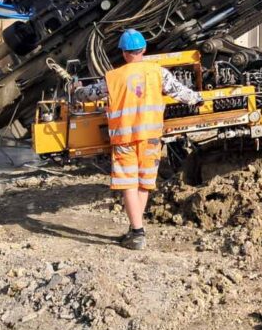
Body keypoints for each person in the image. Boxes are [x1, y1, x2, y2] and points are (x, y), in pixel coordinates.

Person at [74, 29, 203, 250]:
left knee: (129, 185)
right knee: (144, 184)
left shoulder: (113, 78)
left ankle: (137, 231)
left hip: (125, 139)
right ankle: (137, 229)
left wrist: (76, 89)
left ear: (123, 53)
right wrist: (198, 99)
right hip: (151, 138)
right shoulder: (158, 73)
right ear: (143, 49)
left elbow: (88, 94)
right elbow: (181, 92)